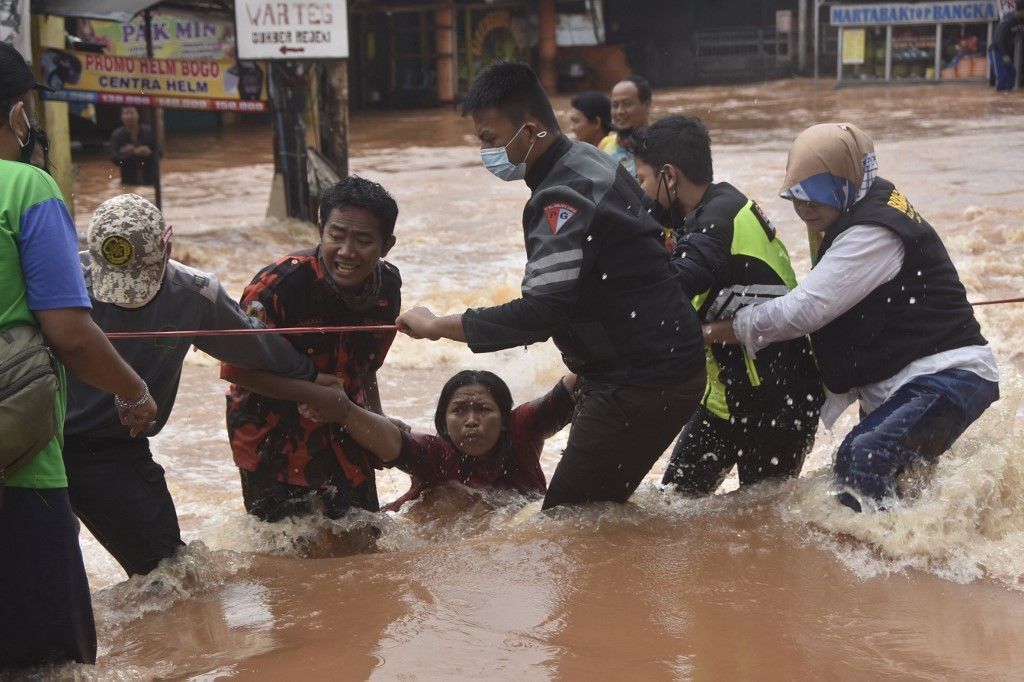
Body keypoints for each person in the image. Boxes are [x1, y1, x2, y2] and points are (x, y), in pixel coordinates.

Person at [396, 61, 706, 510]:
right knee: (600, 515)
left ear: (531, 129)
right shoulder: (591, 158)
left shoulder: (559, 196)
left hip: (639, 379)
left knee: (570, 525)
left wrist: (437, 325)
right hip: (656, 363)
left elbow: (542, 312)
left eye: (489, 139)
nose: (487, 152)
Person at [707, 122, 999, 512]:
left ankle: (886, 566)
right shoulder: (859, 198)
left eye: (815, 197)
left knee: (861, 458)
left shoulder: (872, 232)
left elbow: (802, 311)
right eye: (797, 197)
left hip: (947, 376)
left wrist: (714, 331)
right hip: (905, 376)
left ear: (845, 183)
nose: (804, 208)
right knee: (898, 490)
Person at [64, 193, 347, 576]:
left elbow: (255, 346)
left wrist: (310, 375)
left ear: (167, 246)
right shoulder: (58, 284)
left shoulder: (195, 295)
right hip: (40, 442)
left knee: (172, 575)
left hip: (114, 449)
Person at [0, 43, 156, 669]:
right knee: (50, 662)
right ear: (17, 114)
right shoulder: (26, 188)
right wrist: (134, 390)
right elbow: (67, 330)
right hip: (19, 473)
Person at [632, 116, 824, 495]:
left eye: (642, 180)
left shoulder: (715, 226)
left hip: (778, 403)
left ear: (669, 176)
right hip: (726, 397)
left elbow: (666, 293)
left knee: (761, 524)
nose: (641, 193)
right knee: (675, 503)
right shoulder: (716, 205)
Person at [223, 176, 402, 522]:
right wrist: (318, 395)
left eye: (364, 240)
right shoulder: (276, 286)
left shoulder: (387, 289)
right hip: (270, 441)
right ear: (320, 229)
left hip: (345, 429)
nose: (347, 252)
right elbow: (238, 369)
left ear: (387, 244)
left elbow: (367, 368)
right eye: (337, 236)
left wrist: (377, 421)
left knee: (365, 543)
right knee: (286, 556)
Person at [313, 370, 575, 511]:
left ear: (505, 419)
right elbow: (394, 442)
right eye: (459, 410)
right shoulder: (437, 454)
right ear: (444, 422)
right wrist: (345, 411)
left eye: (483, 409)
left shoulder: (522, 429)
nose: (471, 420)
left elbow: (575, 386)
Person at [598, 74, 652, 176]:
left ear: (646, 104)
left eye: (627, 104)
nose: (620, 112)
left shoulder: (658, 145)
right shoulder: (605, 145)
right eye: (615, 105)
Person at [109, 106, 158, 186]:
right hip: (128, 182)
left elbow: (160, 154)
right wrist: (132, 154)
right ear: (122, 117)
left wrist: (149, 153)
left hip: (150, 181)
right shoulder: (117, 135)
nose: (129, 116)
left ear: (138, 115)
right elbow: (115, 159)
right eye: (126, 113)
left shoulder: (149, 132)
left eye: (132, 113)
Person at [990, 0, 1024, 91]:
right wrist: (1004, 54)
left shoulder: (1021, 21)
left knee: (1012, 74)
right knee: (1002, 78)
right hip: (997, 50)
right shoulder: (1008, 19)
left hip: (1007, 52)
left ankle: (1007, 100)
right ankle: (998, 101)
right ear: (1021, 11)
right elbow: (998, 38)